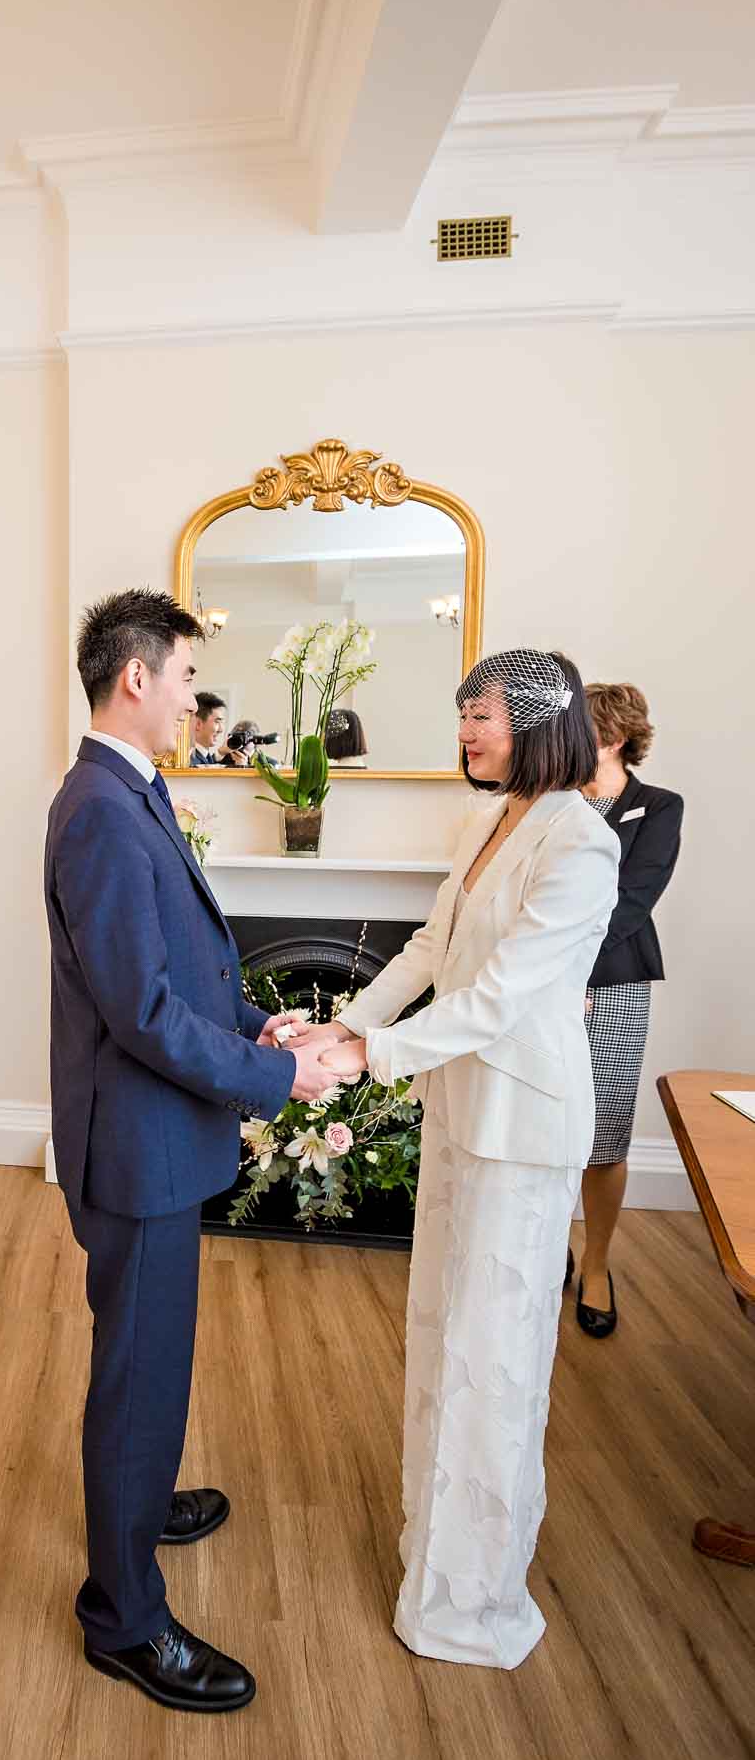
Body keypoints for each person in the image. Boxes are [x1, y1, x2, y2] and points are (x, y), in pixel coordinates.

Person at [300, 649, 618, 1669]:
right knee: (445, 1341)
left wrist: (369, 1056)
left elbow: (503, 1000)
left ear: (538, 720)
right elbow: (432, 954)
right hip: (458, 1114)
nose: (467, 734)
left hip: (522, 1132)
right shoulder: (487, 823)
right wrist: (339, 1025)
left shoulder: (582, 843)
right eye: (463, 717)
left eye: (479, 716)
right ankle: (428, 1561)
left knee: (495, 1363)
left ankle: (473, 1601)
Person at [44, 587, 328, 1713]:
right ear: (136, 680)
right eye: (187, 679)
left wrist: (258, 1022)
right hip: (139, 1149)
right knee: (138, 1372)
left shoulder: (130, 793)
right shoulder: (104, 808)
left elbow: (177, 972)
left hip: (160, 1138)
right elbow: (143, 1015)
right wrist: (279, 1076)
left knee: (150, 1359)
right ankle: (122, 1619)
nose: (194, 700)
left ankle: (141, 1495)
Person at [566, 683, 683, 1337]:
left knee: (604, 1138)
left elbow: (633, 901)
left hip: (613, 982)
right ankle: (546, 1245)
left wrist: (568, 964)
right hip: (543, 987)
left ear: (611, 737)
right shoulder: (547, 804)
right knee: (546, 1126)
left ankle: (598, 1263)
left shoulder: (659, 808)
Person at [191, 691, 226, 764]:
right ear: (198, 724)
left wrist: (221, 752)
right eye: (217, 722)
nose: (221, 730)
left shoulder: (205, 756)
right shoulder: (189, 761)